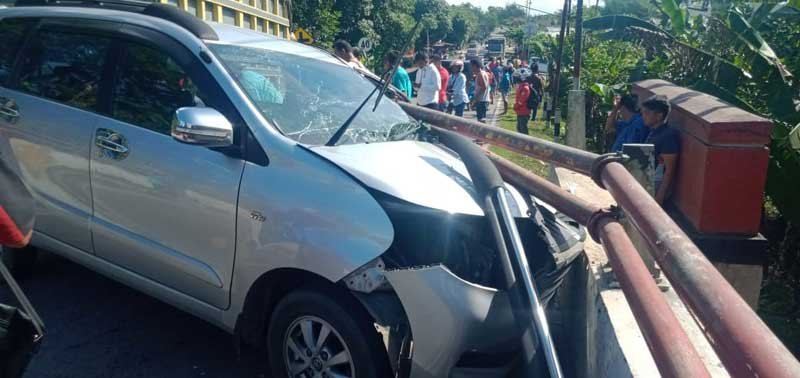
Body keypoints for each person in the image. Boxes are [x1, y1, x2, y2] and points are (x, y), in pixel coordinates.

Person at [641, 95, 680, 205]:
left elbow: (669, 170)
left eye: (647, 113)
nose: (643, 116)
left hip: (655, 187)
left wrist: (660, 197)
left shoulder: (668, 136)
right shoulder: (654, 131)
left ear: (659, 116)